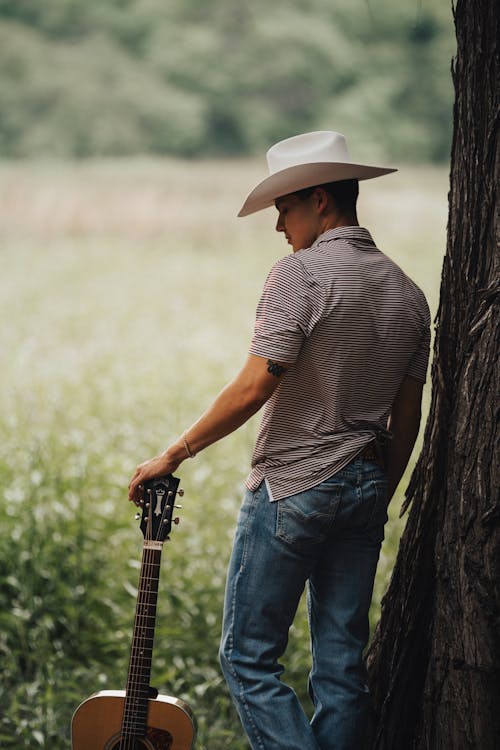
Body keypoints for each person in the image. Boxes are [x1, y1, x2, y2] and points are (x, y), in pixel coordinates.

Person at [128, 130, 431, 750]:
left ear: (320, 200)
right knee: (343, 669)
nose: (278, 228)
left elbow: (254, 385)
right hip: (369, 484)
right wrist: (378, 488)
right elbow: (408, 414)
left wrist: (174, 452)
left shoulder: (301, 272)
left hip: (293, 485)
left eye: (283, 210)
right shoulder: (409, 293)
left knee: (248, 658)